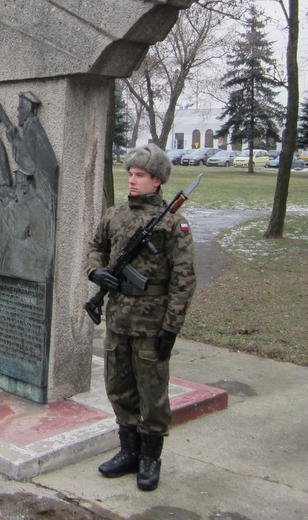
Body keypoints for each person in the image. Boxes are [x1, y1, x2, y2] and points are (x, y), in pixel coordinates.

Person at [85, 143, 196, 491]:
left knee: (153, 394)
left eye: (140, 175)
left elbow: (184, 280)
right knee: (119, 388)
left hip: (152, 325)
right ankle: (128, 452)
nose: (132, 180)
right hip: (118, 318)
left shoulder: (173, 224)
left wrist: (171, 328)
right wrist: (96, 272)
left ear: (158, 181)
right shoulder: (115, 214)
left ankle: (150, 458)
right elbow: (95, 247)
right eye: (130, 174)